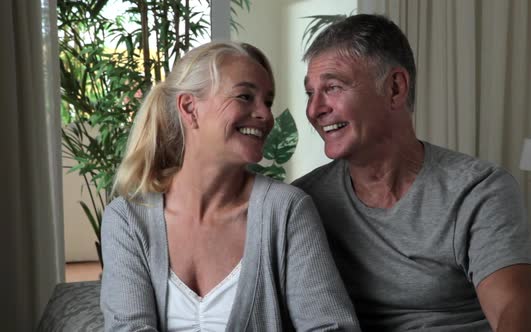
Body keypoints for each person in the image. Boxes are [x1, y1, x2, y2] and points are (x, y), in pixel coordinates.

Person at [293, 14, 531, 332]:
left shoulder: (477, 190)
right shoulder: (304, 201)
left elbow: (520, 309)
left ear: (395, 88)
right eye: (310, 93)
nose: (314, 109)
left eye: (332, 87)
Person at [100, 41, 360, 332]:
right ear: (190, 108)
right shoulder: (128, 219)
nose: (266, 115)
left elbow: (330, 327)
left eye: (268, 102)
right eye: (245, 96)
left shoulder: (286, 211)